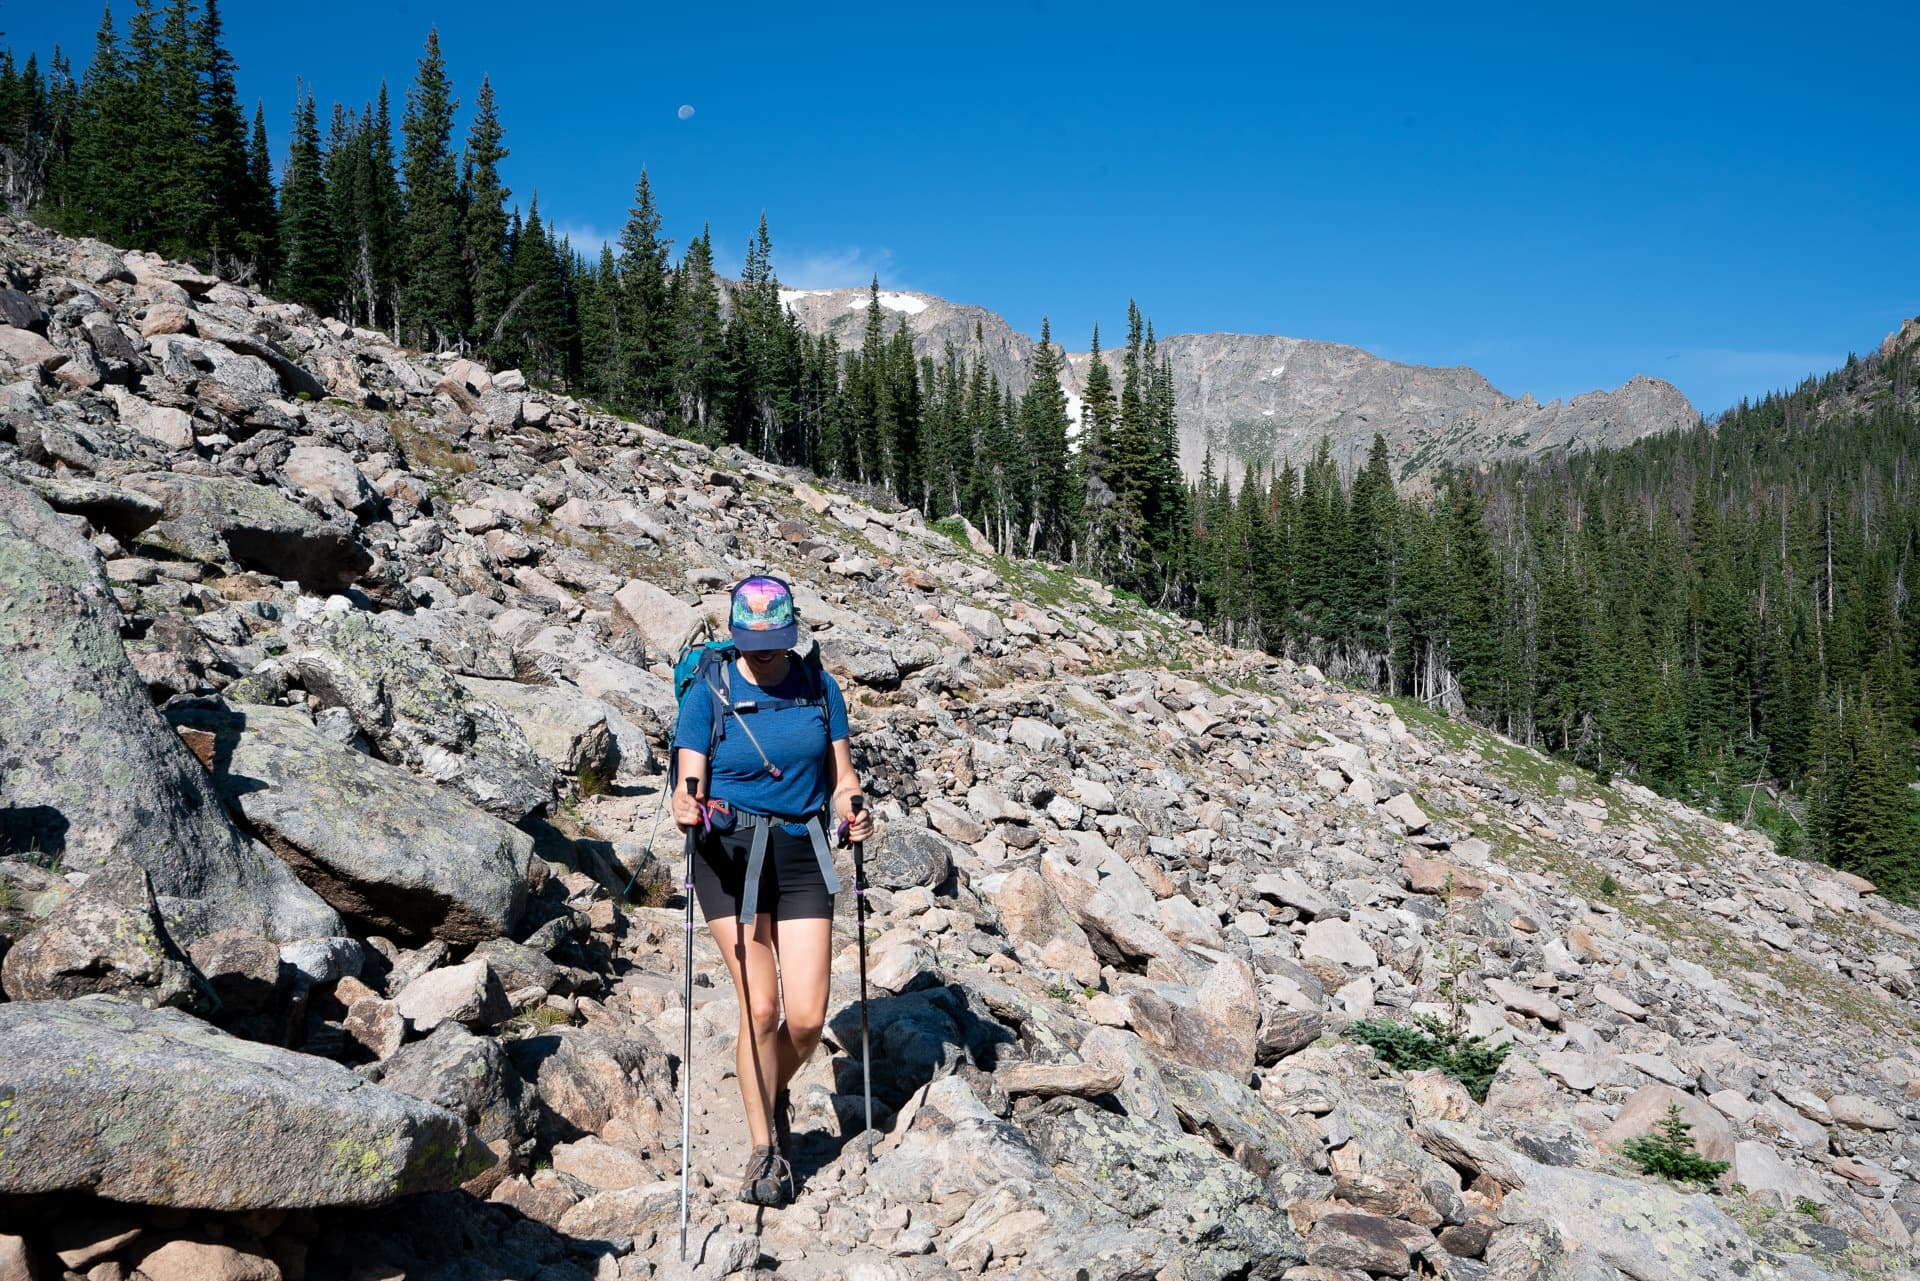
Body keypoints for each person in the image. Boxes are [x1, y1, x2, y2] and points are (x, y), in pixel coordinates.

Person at [671, 574, 874, 1207]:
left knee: (808, 1020)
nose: (765, 654)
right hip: (729, 856)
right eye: (754, 642)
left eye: (776, 642)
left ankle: (769, 1086)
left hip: (802, 851)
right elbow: (690, 773)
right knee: (760, 1007)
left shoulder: (819, 686)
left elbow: (842, 776)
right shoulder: (711, 688)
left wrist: (853, 807)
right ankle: (766, 1149)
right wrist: (686, 799)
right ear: (734, 635)